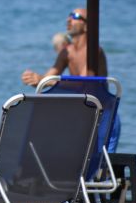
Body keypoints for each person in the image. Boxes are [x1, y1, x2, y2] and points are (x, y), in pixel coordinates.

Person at [21, 8, 118, 151]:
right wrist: (35, 79)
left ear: (86, 26)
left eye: (75, 16)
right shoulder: (67, 51)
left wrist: (45, 80)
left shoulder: (94, 50)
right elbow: (47, 79)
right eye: (69, 16)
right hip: (84, 116)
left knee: (101, 162)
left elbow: (84, 83)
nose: (69, 19)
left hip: (104, 116)